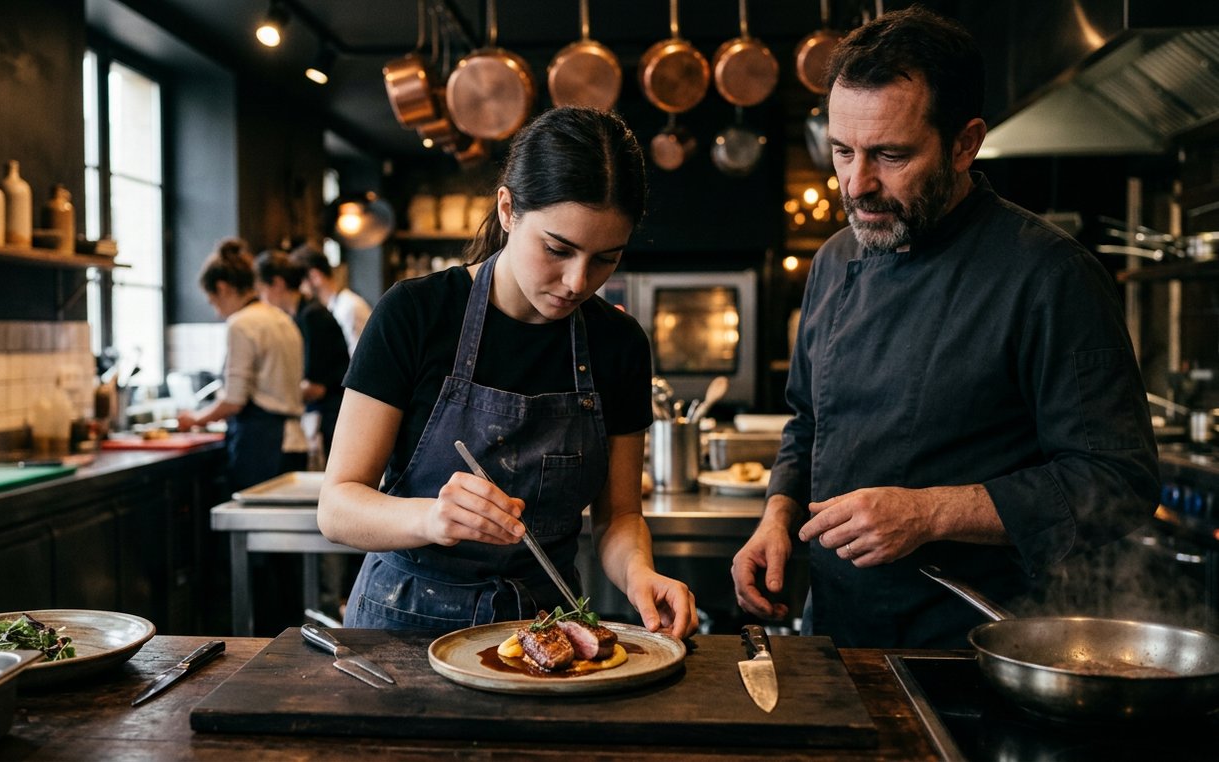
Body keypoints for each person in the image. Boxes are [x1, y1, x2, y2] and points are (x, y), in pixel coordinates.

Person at [730, 7, 1159, 649]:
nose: (857, 184)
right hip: (837, 635)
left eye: (891, 155)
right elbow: (808, 423)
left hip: (975, 645)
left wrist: (930, 512)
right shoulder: (835, 260)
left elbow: (1118, 480)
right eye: (843, 152)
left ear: (965, 144)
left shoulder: (1050, 275)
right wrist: (778, 516)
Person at [317, 107, 698, 637]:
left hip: (543, 627)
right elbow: (337, 506)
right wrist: (429, 517)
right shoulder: (416, 314)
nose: (577, 281)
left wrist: (639, 574)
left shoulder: (618, 344)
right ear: (507, 209)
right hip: (403, 623)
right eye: (557, 249)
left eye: (606, 258)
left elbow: (619, 517)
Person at [178, 238, 304, 493]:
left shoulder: (241, 323)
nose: (217, 312)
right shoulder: (283, 319)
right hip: (294, 443)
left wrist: (195, 419)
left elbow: (234, 400)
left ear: (222, 288)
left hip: (262, 446)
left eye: (212, 301)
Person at [255, 248, 351, 469]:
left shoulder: (312, 316)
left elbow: (316, 387)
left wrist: (269, 397)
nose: (262, 298)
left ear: (277, 284)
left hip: (331, 418)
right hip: (320, 416)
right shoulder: (298, 316)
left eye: (262, 289)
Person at [301, 247, 373, 356]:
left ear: (315, 276)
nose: (300, 288)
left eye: (300, 281)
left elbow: (356, 358)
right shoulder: (335, 306)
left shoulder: (348, 307)